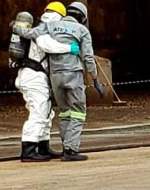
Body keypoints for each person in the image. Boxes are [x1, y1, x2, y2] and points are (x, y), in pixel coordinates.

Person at [14, 1, 99, 161]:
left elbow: (28, 34)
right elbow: (50, 46)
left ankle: (43, 147)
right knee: (40, 112)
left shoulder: (45, 27)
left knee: (49, 111)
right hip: (37, 75)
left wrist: (15, 27)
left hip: (47, 76)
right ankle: (31, 150)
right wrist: (71, 49)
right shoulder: (47, 30)